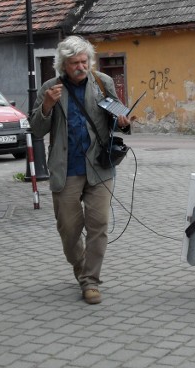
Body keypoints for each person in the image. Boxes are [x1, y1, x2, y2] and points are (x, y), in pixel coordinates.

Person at [30, 35, 135, 305]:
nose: (81, 67)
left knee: (98, 225)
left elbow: (116, 120)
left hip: (99, 167)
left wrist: (123, 122)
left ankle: (90, 280)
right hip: (65, 169)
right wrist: (47, 106)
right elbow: (37, 130)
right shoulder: (50, 88)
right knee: (69, 230)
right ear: (63, 65)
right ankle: (80, 267)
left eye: (84, 61)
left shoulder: (103, 83)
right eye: (75, 63)